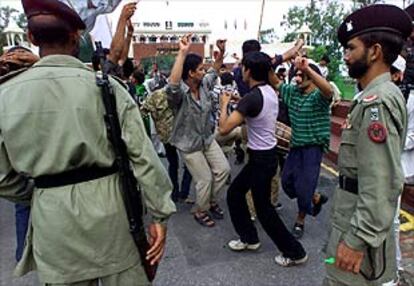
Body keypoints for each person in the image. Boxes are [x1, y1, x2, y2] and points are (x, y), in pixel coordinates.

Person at [0, 0, 176, 285]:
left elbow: (2, 177)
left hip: (52, 221)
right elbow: (144, 158)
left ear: (31, 38)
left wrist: (40, 194)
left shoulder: (5, 96)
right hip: (112, 216)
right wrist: (160, 214)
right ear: (76, 38)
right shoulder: (107, 88)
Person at [323, 4, 411, 286]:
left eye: (351, 48)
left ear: (374, 52)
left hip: (356, 228)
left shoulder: (379, 102)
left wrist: (356, 240)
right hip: (350, 216)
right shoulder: (372, 96)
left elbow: (382, 180)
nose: (346, 57)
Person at [219, 51, 308, 267]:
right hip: (266, 156)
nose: (240, 70)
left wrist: (224, 104)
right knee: (236, 193)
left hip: (261, 159)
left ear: (249, 71)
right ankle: (249, 238)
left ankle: (295, 252)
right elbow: (253, 106)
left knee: (263, 209)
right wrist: (240, 102)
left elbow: (223, 129)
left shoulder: (252, 98)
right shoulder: (267, 91)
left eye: (243, 67)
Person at [166, 34, 231, 227]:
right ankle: (200, 210)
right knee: (204, 179)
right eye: (200, 69)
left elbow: (215, 69)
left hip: (206, 138)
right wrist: (182, 53)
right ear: (191, 73)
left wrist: (221, 52)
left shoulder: (204, 83)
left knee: (224, 170)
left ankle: (209, 201)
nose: (204, 71)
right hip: (188, 144)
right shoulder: (179, 95)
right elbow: (173, 85)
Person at [270, 57, 333, 239]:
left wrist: (308, 68)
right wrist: (280, 58)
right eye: (296, 74)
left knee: (304, 189)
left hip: (313, 150)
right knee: (287, 183)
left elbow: (328, 90)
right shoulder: (292, 93)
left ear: (313, 78)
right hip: (296, 147)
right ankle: (314, 198)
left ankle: (300, 220)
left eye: (301, 75)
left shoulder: (319, 97)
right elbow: (273, 80)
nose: (297, 78)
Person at [0, 46, 39, 262]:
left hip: (19, 166)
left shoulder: (6, 94)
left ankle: (23, 251)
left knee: (22, 207)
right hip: (38, 165)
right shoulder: (38, 88)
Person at [141, 88, 193, 203]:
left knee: (173, 164)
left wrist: (155, 120)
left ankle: (175, 194)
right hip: (180, 135)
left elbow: (143, 111)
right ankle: (183, 194)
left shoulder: (155, 95)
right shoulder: (182, 92)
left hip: (166, 135)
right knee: (189, 164)